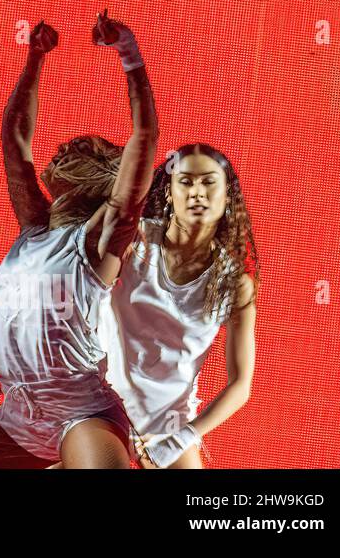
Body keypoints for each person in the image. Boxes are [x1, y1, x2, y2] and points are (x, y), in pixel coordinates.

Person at [0, 13, 157, 468]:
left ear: (103, 176)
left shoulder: (99, 240)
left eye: (82, 148)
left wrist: (129, 55)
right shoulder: (34, 229)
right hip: (17, 418)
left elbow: (144, 138)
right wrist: (34, 59)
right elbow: (14, 139)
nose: (65, 148)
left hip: (80, 413)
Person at [97, 144, 259, 469]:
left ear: (227, 197)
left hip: (168, 423)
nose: (197, 192)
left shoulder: (234, 282)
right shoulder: (133, 242)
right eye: (186, 181)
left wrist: (178, 441)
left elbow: (241, 385)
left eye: (209, 182)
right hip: (102, 406)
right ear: (169, 192)